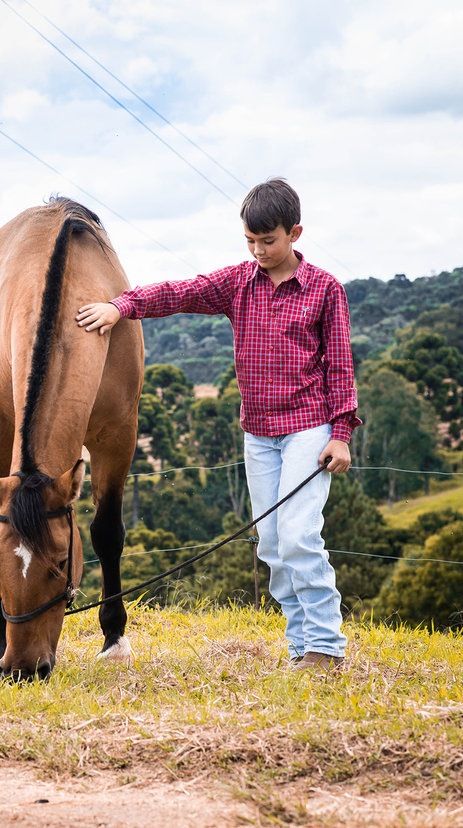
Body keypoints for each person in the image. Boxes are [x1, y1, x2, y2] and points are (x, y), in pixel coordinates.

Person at [75, 178, 359, 672]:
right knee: (271, 544)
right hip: (259, 434)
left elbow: (339, 366)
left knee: (297, 536)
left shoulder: (325, 290)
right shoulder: (238, 282)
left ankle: (326, 648)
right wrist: (120, 306)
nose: (258, 250)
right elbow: (176, 293)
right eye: (250, 241)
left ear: (295, 233)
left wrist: (341, 434)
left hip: (308, 429)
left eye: (268, 241)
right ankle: (301, 645)